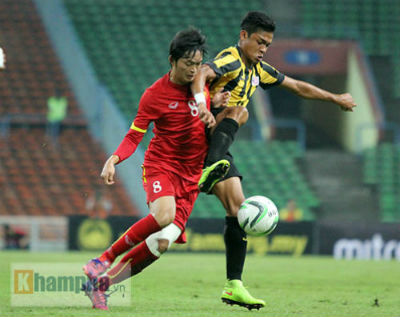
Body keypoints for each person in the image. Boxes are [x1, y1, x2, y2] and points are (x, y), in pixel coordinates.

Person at [191, 11, 356, 309]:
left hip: (214, 144)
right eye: (259, 41)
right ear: (244, 36)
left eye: (268, 43)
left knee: (238, 210)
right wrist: (205, 103)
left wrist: (335, 99)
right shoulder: (231, 58)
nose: (264, 48)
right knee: (241, 112)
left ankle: (234, 285)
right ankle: (210, 166)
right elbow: (203, 71)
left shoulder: (259, 70)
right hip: (195, 139)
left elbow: (297, 86)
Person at [81, 28, 230, 310]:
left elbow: (210, 111)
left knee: (161, 244)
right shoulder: (154, 94)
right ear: (172, 61)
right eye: (188, 64)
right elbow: (135, 134)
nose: (194, 70)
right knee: (163, 215)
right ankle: (102, 259)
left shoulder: (203, 86)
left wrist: (218, 104)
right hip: (162, 165)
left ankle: (101, 285)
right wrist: (114, 158)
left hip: (191, 175)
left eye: (198, 64)